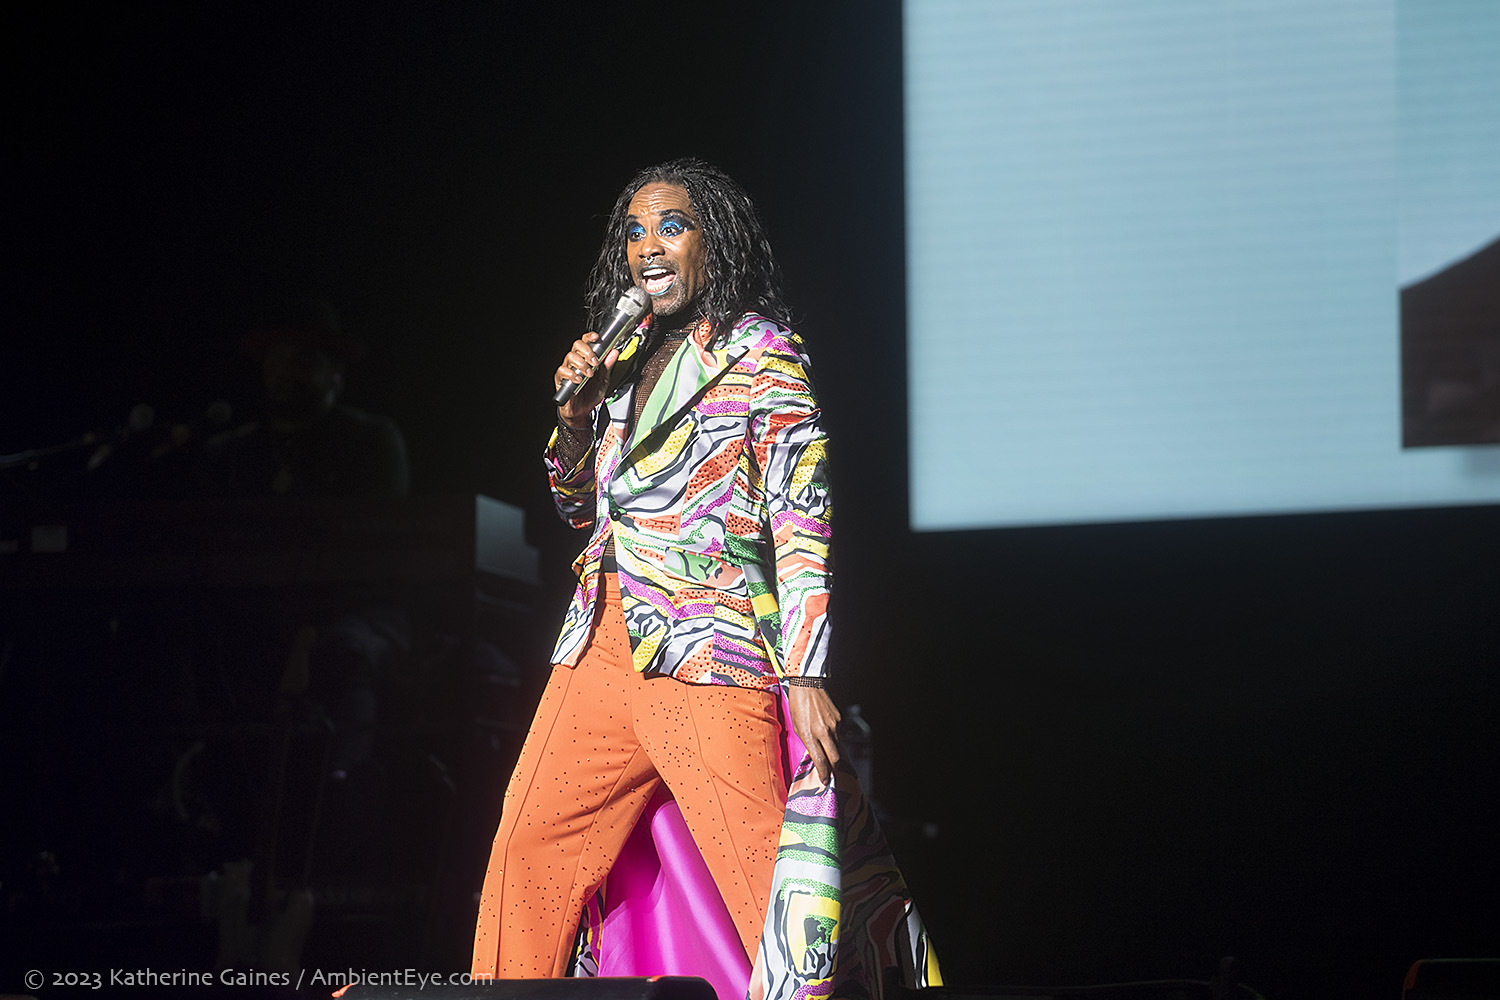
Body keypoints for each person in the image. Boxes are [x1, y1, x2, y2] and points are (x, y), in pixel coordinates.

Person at [472, 159, 850, 986]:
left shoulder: (763, 353)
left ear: (714, 240)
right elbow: (582, 511)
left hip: (707, 648)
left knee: (763, 883)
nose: (649, 244)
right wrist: (573, 422)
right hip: (601, 645)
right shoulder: (624, 356)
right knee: (530, 843)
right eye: (635, 230)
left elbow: (801, 511)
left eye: (671, 225)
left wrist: (806, 666)